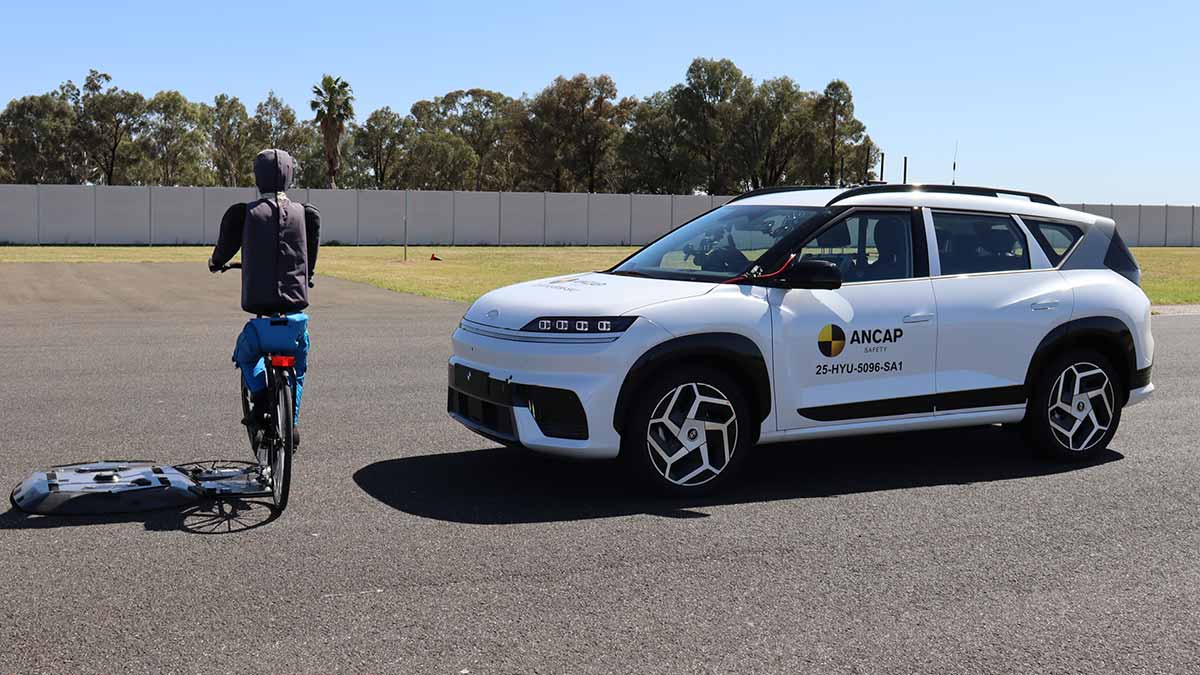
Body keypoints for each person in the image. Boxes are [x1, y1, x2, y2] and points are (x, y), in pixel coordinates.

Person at [208, 149, 320, 442]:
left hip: (260, 318)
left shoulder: (241, 213)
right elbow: (310, 257)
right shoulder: (307, 214)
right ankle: (291, 423)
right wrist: (306, 276)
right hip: (295, 319)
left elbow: (223, 251)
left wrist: (217, 263)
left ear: (257, 176)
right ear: (290, 176)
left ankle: (261, 400)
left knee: (245, 356)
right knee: (298, 367)